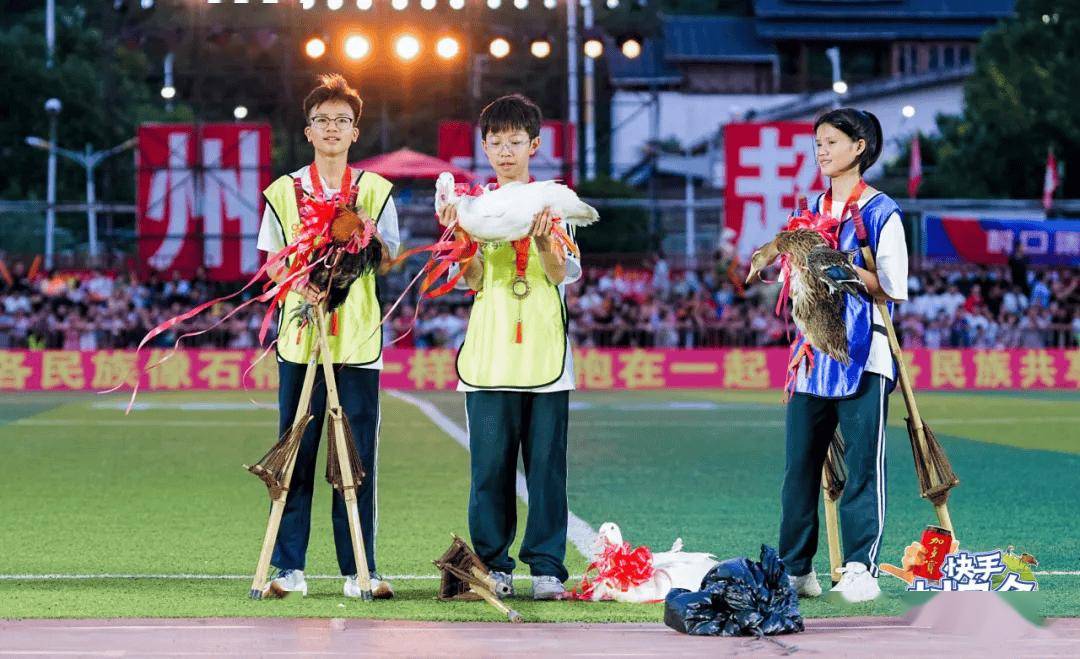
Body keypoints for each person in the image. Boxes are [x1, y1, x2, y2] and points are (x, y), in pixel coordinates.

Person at [257, 73, 399, 599]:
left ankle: (358, 569)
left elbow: (387, 257)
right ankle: (288, 569)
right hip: (300, 341)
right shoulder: (282, 191)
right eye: (323, 121)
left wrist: (353, 254)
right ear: (308, 130)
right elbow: (270, 263)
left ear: (355, 131)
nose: (333, 128)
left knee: (356, 457)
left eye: (343, 120)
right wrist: (304, 281)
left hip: (358, 341)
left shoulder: (376, 191)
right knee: (296, 451)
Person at [437, 94, 582, 600]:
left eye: (515, 141)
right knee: (490, 470)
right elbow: (473, 278)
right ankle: (493, 564)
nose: (504, 150)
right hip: (490, 355)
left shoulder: (554, 204)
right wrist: (461, 238)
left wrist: (544, 240)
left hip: (546, 356)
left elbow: (561, 273)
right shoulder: (474, 209)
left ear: (534, 145)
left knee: (546, 469)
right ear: (483, 146)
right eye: (495, 141)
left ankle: (546, 568)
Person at [779, 108, 908, 603]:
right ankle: (795, 569)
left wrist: (846, 269)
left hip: (863, 354)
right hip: (811, 355)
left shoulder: (881, 212)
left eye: (831, 142)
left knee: (861, 465)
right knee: (800, 467)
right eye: (817, 143)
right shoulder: (813, 208)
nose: (821, 151)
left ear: (860, 147)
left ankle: (860, 565)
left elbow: (892, 287)